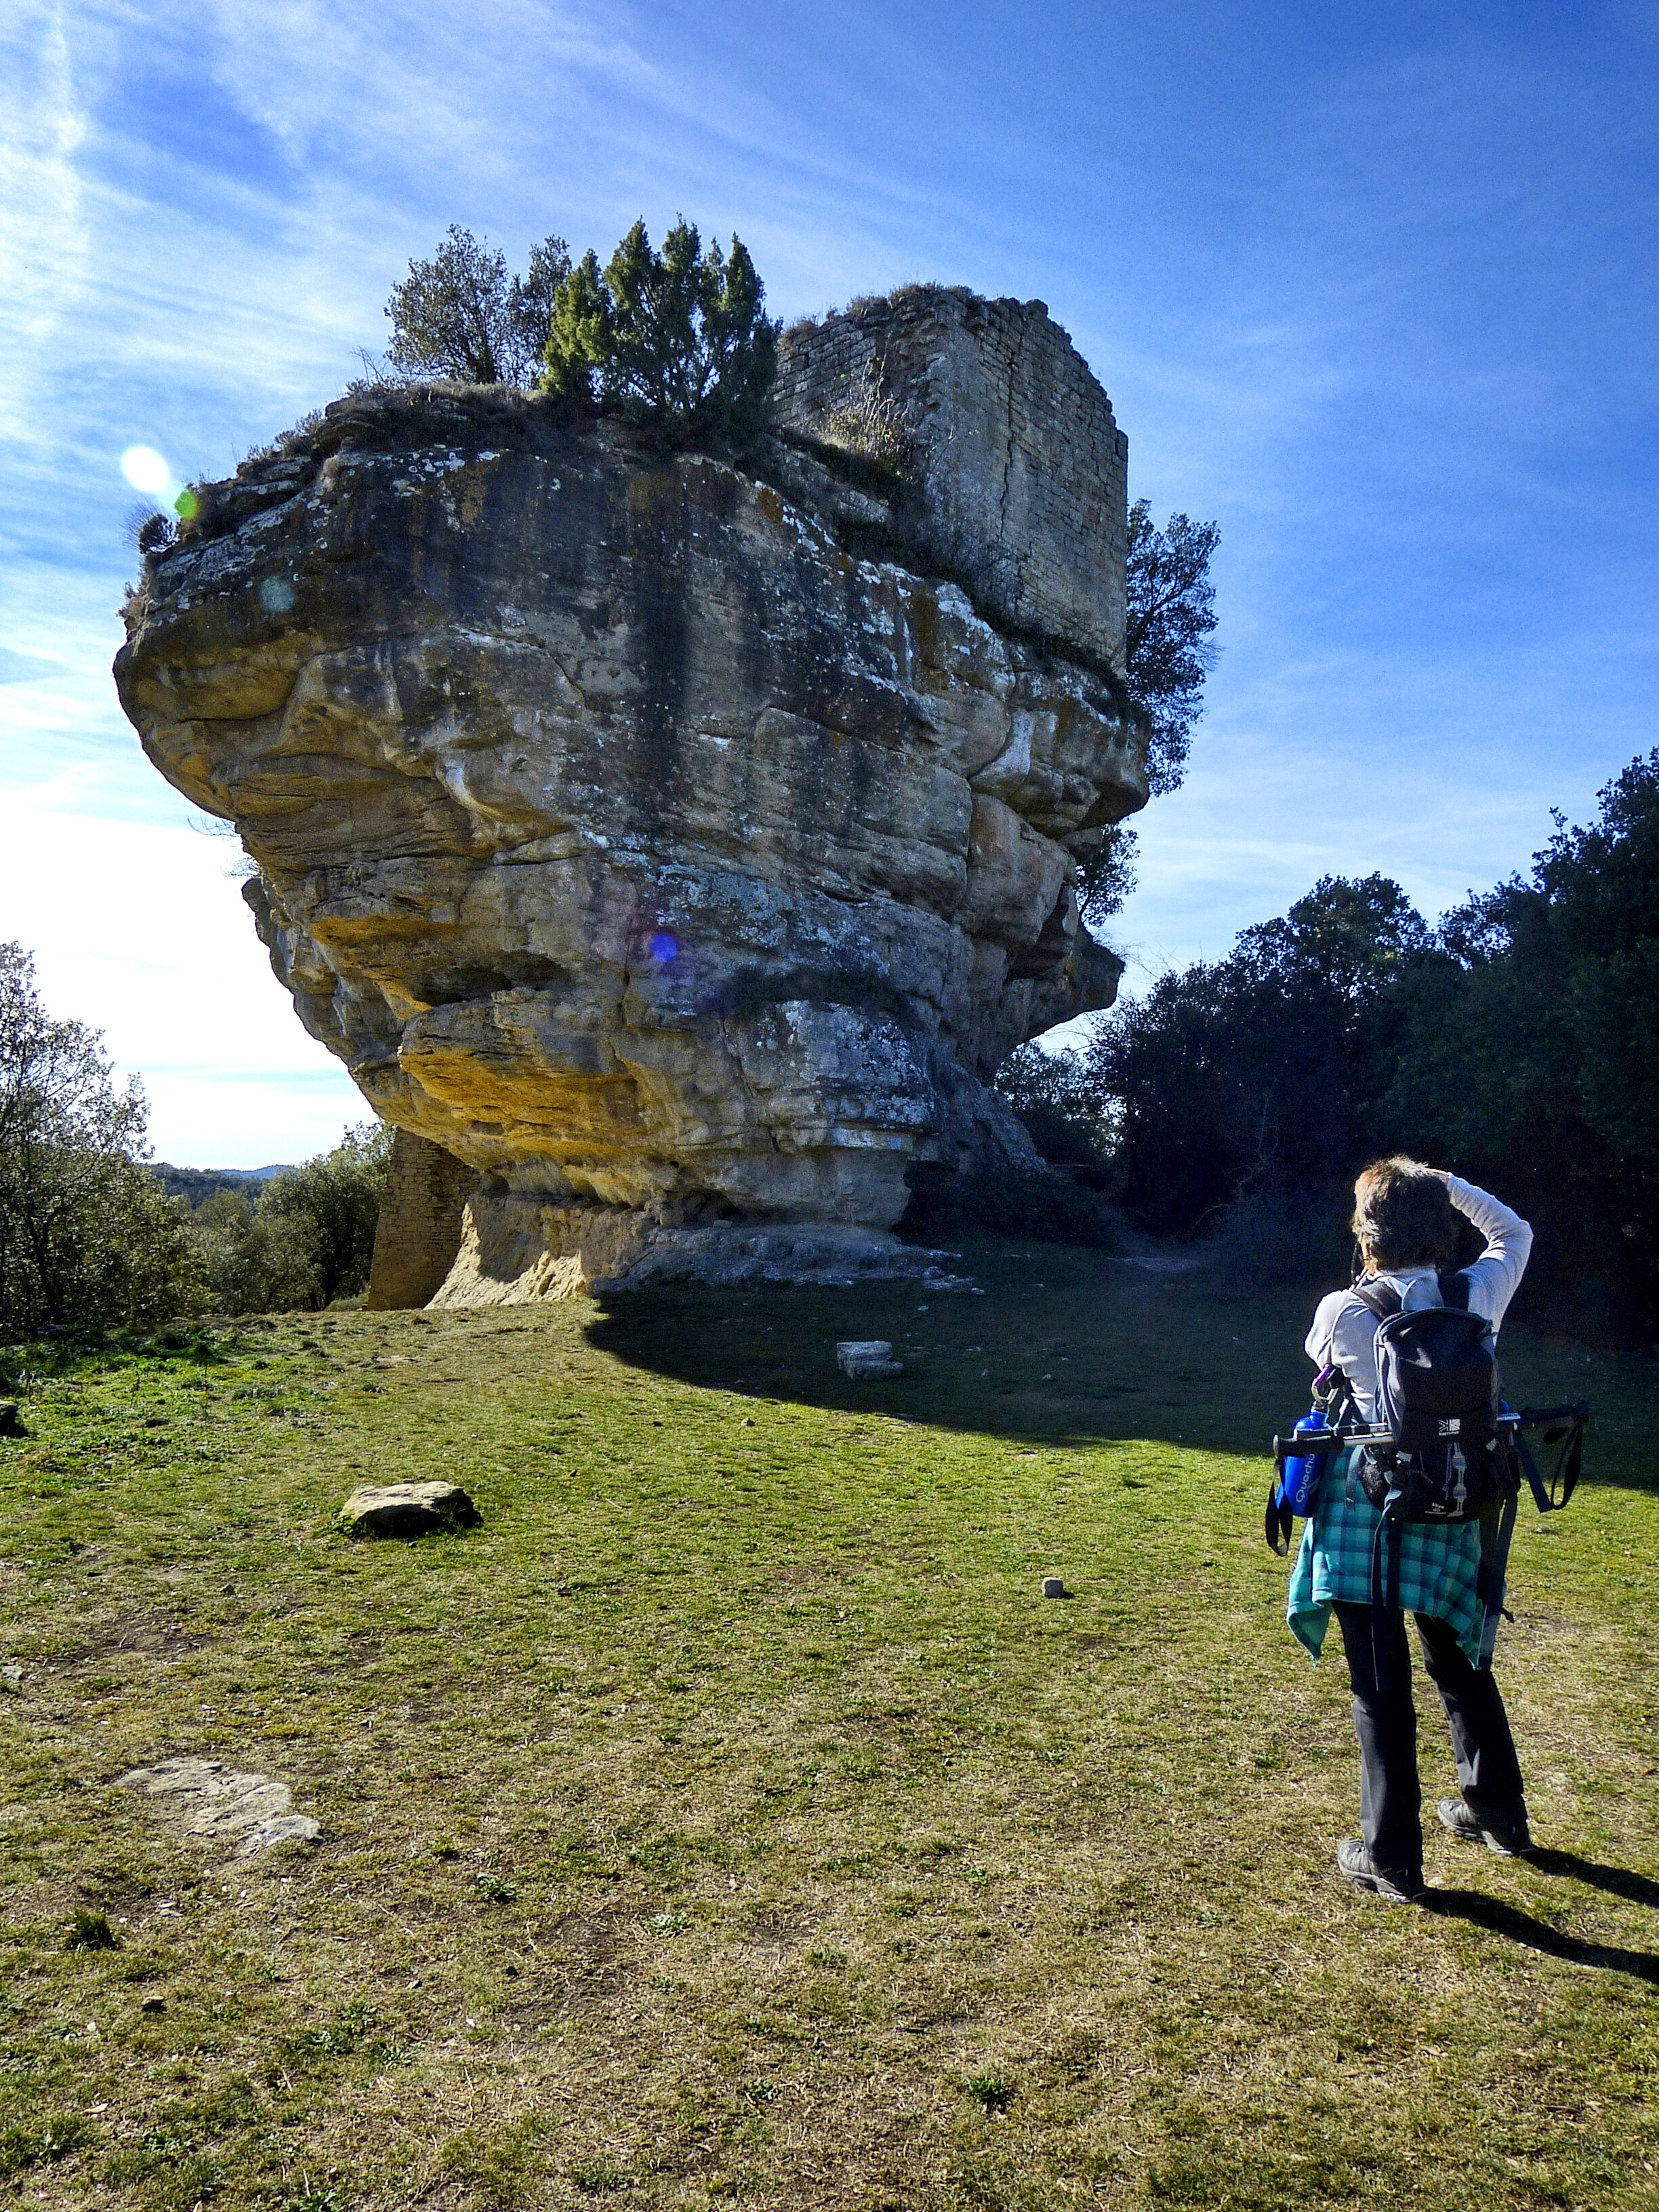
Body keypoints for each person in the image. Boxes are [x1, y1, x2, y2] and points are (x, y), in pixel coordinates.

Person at [1286, 1157, 1535, 1904]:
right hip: (1456, 1500)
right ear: (1444, 1229)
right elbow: (1514, 1230)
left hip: (1370, 1514)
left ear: (1366, 1235)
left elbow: (1322, 1371)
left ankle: (1391, 1858)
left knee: (1379, 1684)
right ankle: (1498, 1814)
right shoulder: (1477, 1293)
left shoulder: (1344, 1309)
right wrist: (1442, 1182)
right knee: (1460, 1664)